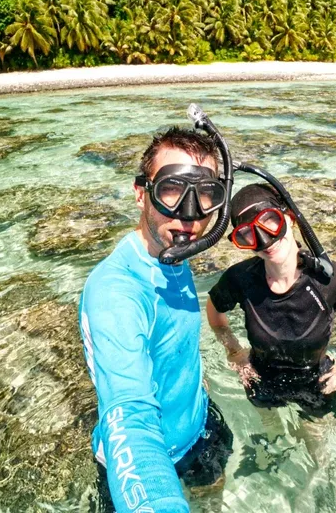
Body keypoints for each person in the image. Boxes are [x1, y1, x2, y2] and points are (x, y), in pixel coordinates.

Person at [79, 127, 233, 513]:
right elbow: (129, 417)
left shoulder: (171, 253)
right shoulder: (116, 292)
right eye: (171, 189)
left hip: (199, 424)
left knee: (214, 497)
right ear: (140, 193)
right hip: (145, 459)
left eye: (206, 194)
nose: (189, 212)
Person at [205, 183, 336, 463]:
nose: (265, 240)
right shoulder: (240, 279)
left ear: (289, 217)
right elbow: (215, 312)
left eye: (270, 221)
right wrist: (235, 353)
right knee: (273, 438)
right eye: (248, 234)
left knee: (318, 456)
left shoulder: (331, 280)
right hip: (260, 380)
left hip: (316, 383)